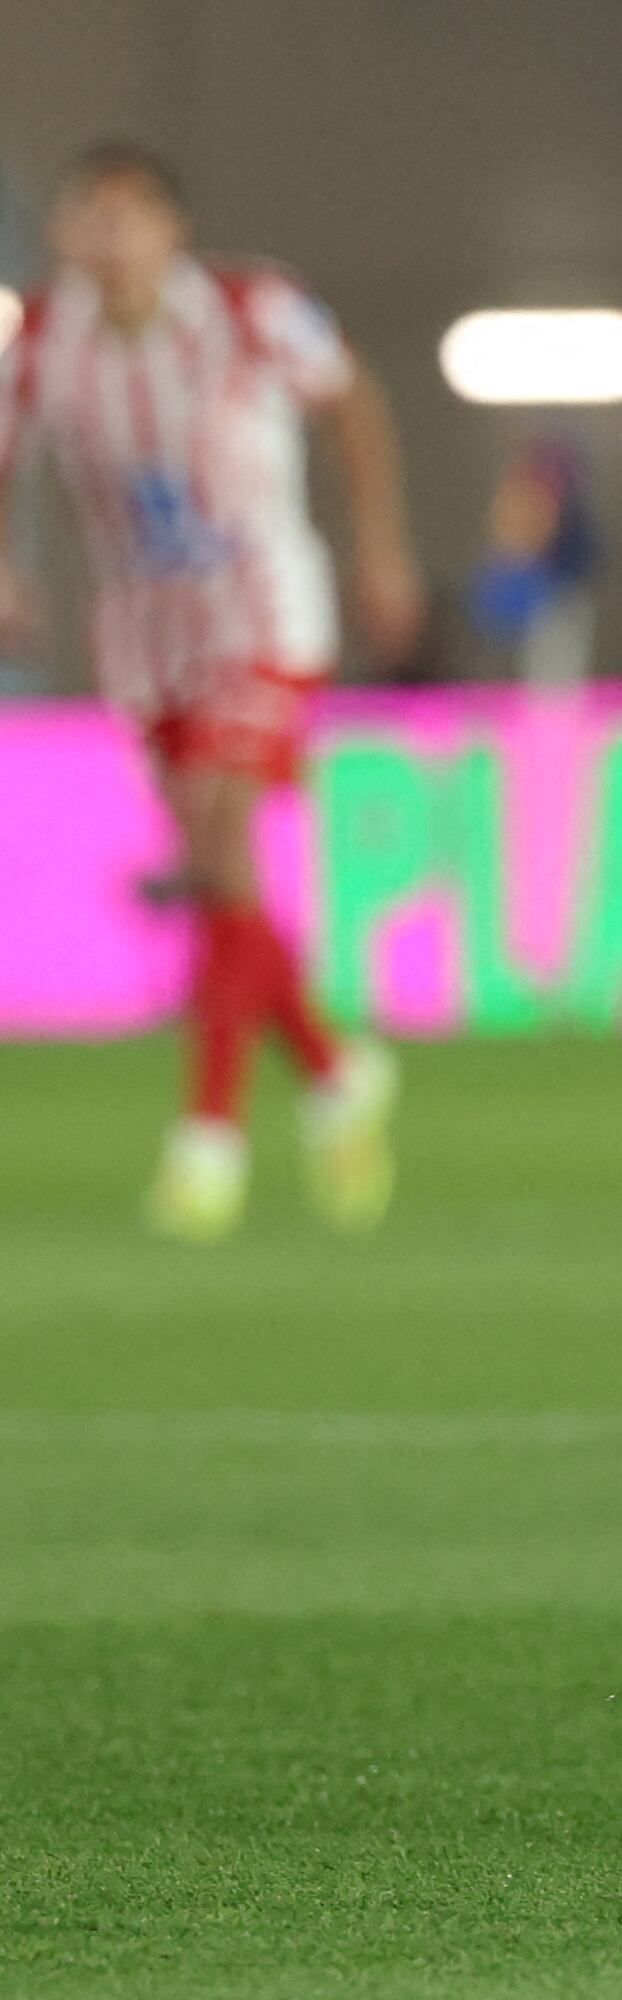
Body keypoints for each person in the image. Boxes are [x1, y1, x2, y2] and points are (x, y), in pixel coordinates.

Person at [0, 144, 424, 1240]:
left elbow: (355, 401)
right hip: (147, 630)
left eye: (130, 214)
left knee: (222, 838)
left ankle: (209, 1136)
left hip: (262, 611)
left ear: (170, 230)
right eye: (90, 215)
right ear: (64, 235)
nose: (109, 235)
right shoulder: (43, 340)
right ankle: (336, 1073)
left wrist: (380, 552)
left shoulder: (250, 306)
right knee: (215, 870)